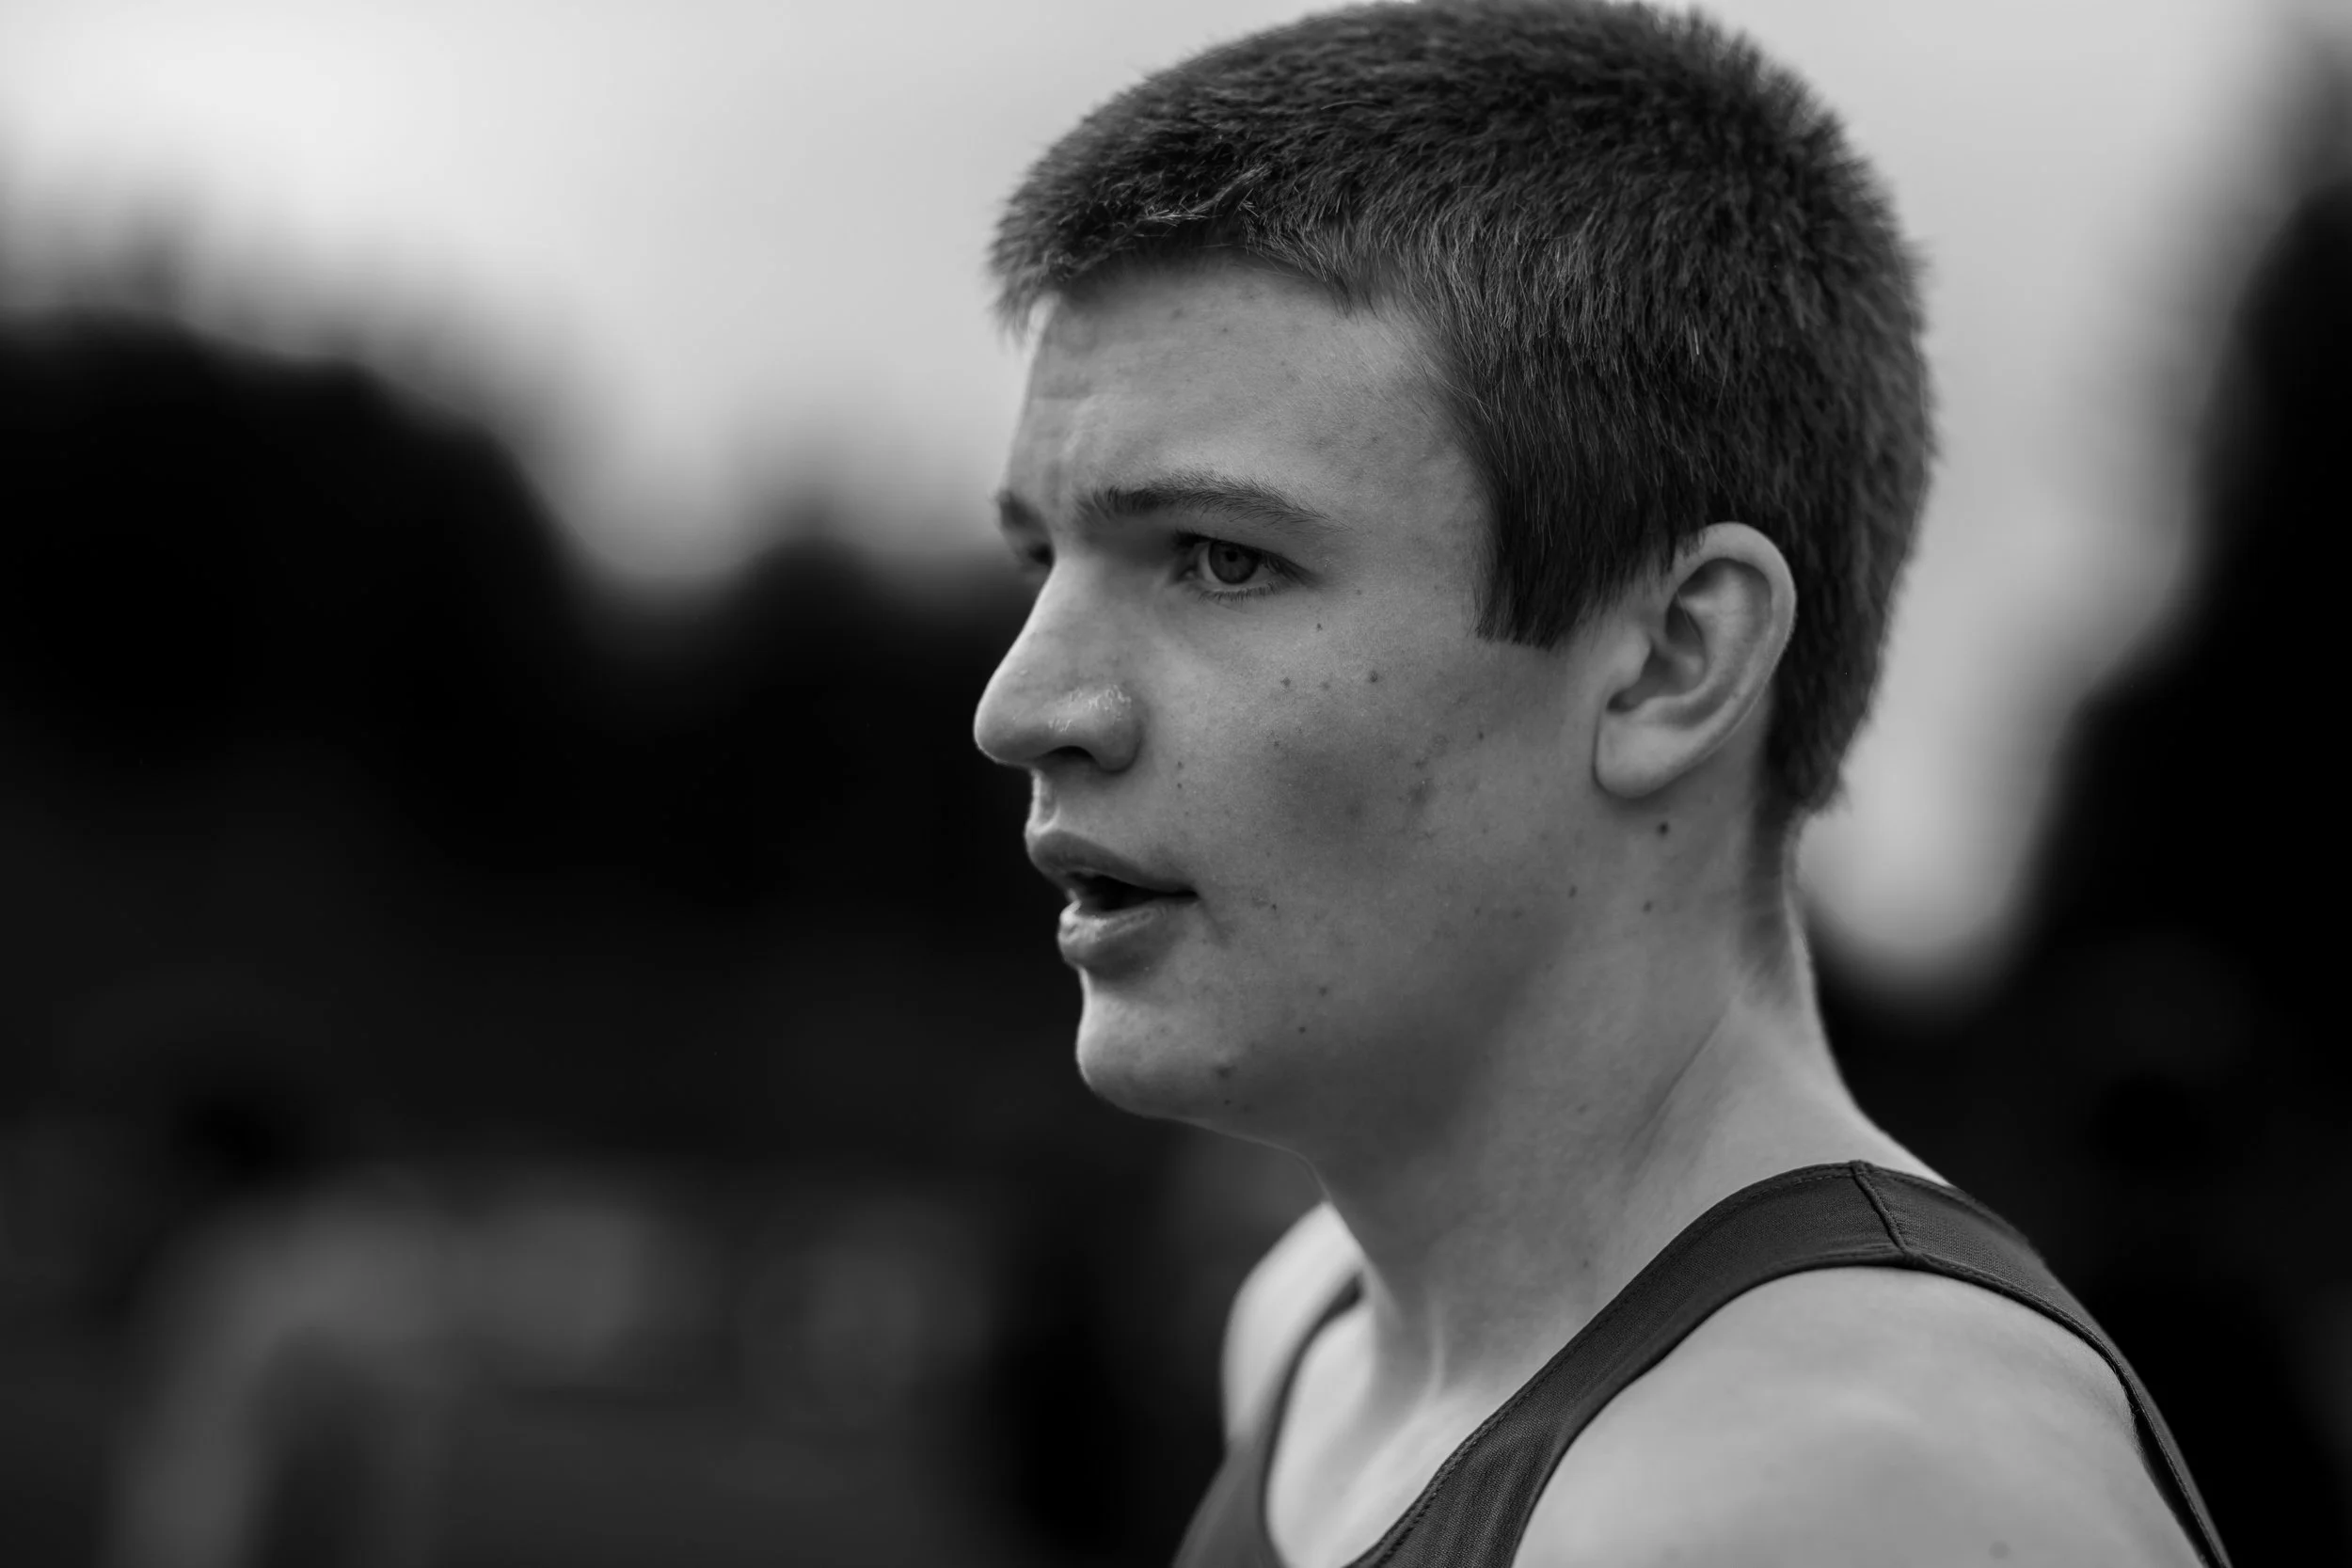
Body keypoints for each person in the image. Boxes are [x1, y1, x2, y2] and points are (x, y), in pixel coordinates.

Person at [970, 3, 2229, 1564]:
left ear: (1672, 660)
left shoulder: (1858, 1496)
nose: (1023, 704)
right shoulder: (1311, 1330)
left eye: (1222, 558)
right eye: (1044, 557)